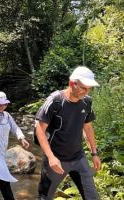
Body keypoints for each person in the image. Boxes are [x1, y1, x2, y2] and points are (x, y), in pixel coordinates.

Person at [35, 66, 101, 200]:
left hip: (79, 158)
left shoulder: (86, 102)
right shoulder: (55, 101)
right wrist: (51, 157)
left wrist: (94, 153)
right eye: (83, 88)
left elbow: (87, 127)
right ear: (72, 84)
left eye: (89, 88)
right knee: (44, 197)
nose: (87, 91)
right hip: (56, 160)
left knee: (92, 197)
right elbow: (40, 129)